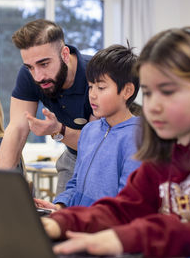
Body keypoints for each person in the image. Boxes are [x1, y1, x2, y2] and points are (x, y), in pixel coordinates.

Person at [42, 27, 190, 257]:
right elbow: (126, 208)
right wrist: (60, 222)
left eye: (167, 91)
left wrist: (128, 237)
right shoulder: (166, 147)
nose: (153, 106)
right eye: (148, 93)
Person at [34, 45, 141, 210]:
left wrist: (81, 220)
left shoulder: (137, 138)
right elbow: (75, 183)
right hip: (80, 224)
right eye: (90, 86)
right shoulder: (89, 131)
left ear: (127, 91)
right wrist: (60, 206)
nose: (92, 94)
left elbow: (126, 204)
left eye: (101, 87)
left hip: (104, 230)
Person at [0, 19, 93, 195]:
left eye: (44, 64)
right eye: (30, 67)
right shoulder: (28, 76)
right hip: (72, 157)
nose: (38, 76)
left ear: (64, 54)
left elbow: (100, 144)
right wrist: (0, 186)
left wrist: (58, 131)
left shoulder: (95, 74)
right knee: (61, 217)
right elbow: (17, 129)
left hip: (107, 159)